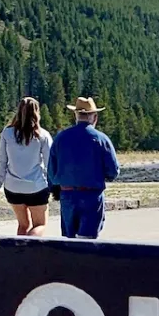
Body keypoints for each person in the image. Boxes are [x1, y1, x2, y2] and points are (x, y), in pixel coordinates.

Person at [47, 97, 120, 239]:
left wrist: (54, 188)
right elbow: (113, 171)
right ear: (94, 117)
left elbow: (51, 170)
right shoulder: (101, 139)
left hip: (67, 195)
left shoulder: (61, 138)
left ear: (76, 115)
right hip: (91, 195)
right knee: (87, 241)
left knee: (69, 241)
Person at [0, 98, 55, 237]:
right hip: (36, 187)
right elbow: (50, 163)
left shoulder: (7, 133)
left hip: (12, 187)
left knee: (23, 225)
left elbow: (1, 160)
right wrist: (54, 185)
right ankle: (29, 251)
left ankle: (19, 253)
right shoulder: (42, 135)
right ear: (37, 112)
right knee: (40, 225)